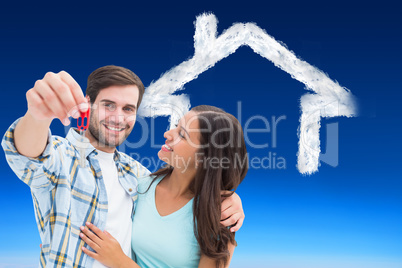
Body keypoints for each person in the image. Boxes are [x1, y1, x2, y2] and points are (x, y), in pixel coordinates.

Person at [1, 66, 245, 267]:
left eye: (128, 109)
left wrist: (227, 198)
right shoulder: (62, 158)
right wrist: (37, 116)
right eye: (108, 105)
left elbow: (190, 189)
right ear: (88, 104)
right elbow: (29, 157)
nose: (118, 117)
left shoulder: (136, 175)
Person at [79, 105, 248, 268]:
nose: (167, 134)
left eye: (182, 135)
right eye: (176, 126)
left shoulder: (219, 217)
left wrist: (120, 261)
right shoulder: (139, 186)